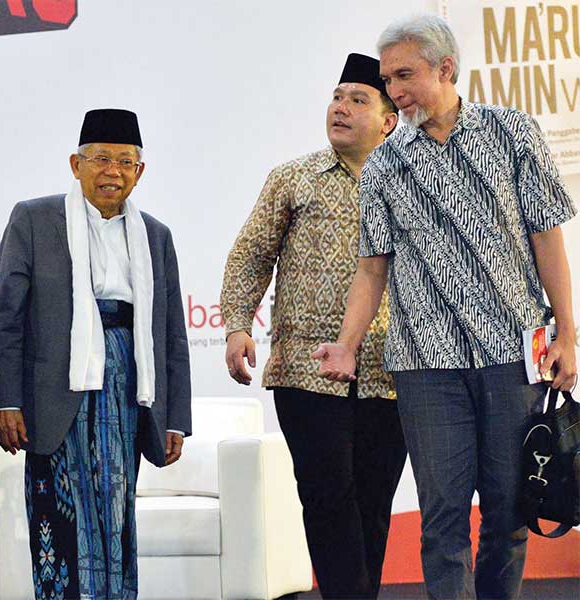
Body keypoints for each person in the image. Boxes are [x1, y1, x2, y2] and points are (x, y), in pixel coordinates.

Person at [315, 15, 577, 600]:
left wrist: (569, 332)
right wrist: (348, 345)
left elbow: (547, 239)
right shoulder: (384, 164)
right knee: (441, 520)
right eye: (388, 79)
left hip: (512, 356)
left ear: (446, 69)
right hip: (423, 368)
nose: (395, 91)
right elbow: (371, 267)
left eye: (404, 75)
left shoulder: (514, 132)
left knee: (509, 513)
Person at [0, 108, 192, 600]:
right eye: (100, 159)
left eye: (125, 162)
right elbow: (7, 315)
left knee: (115, 509)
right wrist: (3, 399)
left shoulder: (155, 235)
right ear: (75, 165)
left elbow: (171, 333)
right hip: (56, 388)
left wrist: (175, 417)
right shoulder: (34, 218)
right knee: (60, 515)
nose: (112, 172)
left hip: (126, 381)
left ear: (140, 172)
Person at [221, 54, 406, 599]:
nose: (340, 108)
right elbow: (250, 254)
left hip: (391, 369)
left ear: (388, 120)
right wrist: (236, 324)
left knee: (373, 500)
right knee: (327, 495)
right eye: (337, 96)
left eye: (358, 99)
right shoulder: (293, 178)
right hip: (307, 372)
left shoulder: (410, 184)